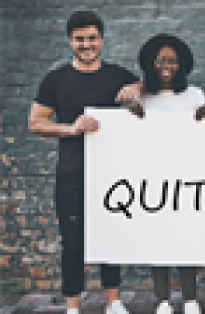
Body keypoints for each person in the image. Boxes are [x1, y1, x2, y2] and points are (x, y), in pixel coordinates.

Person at [28, 11, 137, 314]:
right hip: (73, 173)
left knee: (111, 238)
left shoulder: (118, 76)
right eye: (80, 39)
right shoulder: (56, 79)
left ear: (101, 39)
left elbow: (148, 90)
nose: (86, 44)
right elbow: (36, 123)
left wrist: (137, 90)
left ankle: (113, 302)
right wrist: (71, 128)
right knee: (73, 242)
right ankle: (73, 306)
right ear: (70, 41)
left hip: (112, 173)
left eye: (92, 38)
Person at [127, 34, 205, 314]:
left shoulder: (195, 95)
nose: (166, 65)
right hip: (152, 177)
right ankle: (162, 299)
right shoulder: (143, 97)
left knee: (186, 238)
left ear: (181, 64)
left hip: (187, 176)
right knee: (156, 238)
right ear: (151, 63)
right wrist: (132, 108)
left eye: (172, 60)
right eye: (160, 60)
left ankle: (190, 298)